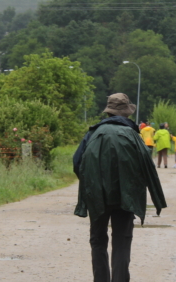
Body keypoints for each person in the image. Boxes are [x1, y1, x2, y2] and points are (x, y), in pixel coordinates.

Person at [72, 93, 167, 282]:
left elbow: (77, 162)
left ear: (108, 113)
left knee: (98, 240)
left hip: (97, 195)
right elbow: (146, 165)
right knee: (122, 240)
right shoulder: (133, 135)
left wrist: (92, 184)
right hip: (126, 196)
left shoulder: (93, 133)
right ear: (127, 114)